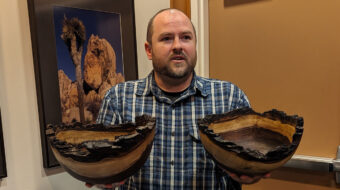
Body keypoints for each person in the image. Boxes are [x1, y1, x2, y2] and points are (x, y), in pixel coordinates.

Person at [87, 8, 269, 190]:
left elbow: (248, 160)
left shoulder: (230, 98)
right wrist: (100, 176)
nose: (177, 46)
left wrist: (250, 173)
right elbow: (103, 165)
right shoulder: (118, 99)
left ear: (194, 45)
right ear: (149, 50)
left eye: (186, 37)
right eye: (166, 38)